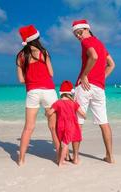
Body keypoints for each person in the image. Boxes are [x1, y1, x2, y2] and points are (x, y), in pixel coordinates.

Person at [71, 19, 116, 163]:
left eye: (79, 32)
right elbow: (111, 64)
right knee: (104, 122)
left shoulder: (86, 42)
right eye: (75, 34)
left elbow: (94, 56)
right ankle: (110, 156)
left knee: (78, 121)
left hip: (84, 87)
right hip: (99, 88)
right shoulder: (101, 44)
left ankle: (76, 157)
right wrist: (100, 78)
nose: (78, 36)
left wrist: (84, 75)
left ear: (86, 29)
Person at [16, 25, 59, 166]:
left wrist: (32, 79)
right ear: (36, 38)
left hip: (32, 92)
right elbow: (51, 74)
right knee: (53, 127)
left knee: (28, 127)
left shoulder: (20, 56)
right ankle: (59, 158)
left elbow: (21, 80)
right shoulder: (43, 52)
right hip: (48, 91)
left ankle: (21, 159)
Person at [46, 80, 86, 166]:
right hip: (71, 126)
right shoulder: (74, 103)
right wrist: (85, 116)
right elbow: (82, 113)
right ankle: (61, 162)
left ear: (61, 93)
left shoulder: (57, 103)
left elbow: (49, 113)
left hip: (60, 126)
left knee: (62, 142)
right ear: (71, 93)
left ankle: (66, 157)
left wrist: (46, 113)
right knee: (67, 143)